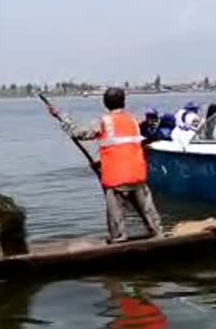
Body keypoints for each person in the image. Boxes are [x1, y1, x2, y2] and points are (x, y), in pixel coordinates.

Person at [46, 87, 162, 244]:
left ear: (105, 103)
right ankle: (157, 232)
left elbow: (78, 133)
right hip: (137, 174)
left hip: (116, 178)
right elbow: (125, 148)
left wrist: (61, 116)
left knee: (115, 213)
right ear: (124, 102)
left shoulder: (103, 122)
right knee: (147, 209)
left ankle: (120, 236)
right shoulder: (133, 121)